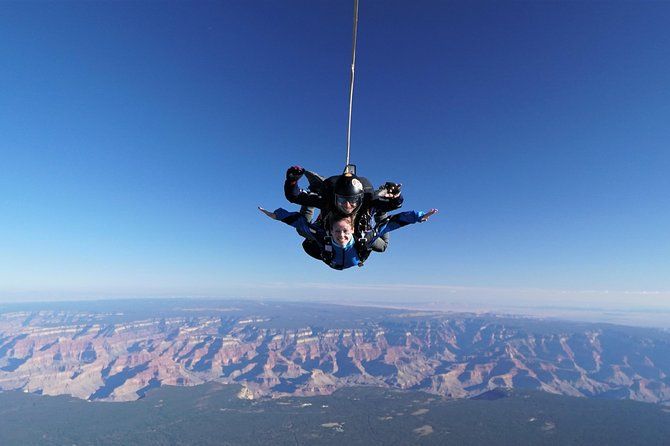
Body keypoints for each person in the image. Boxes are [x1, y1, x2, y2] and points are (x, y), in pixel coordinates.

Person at [258, 205, 438, 270]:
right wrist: (276, 215)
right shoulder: (324, 237)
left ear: (351, 230)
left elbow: (392, 223)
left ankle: (379, 210)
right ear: (332, 230)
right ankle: (311, 200)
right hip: (326, 256)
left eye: (344, 231)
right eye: (337, 231)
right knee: (304, 231)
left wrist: (418, 216)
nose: (341, 235)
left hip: (343, 256)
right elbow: (297, 221)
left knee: (382, 242)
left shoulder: (363, 238)